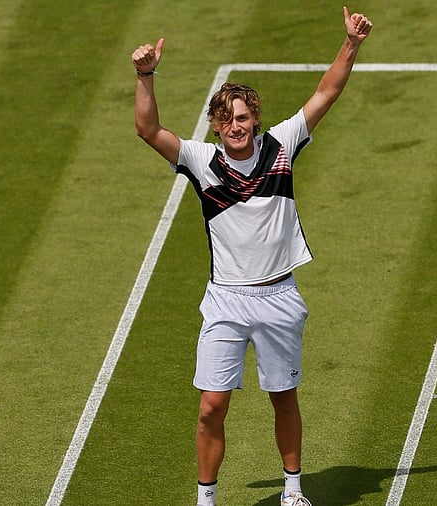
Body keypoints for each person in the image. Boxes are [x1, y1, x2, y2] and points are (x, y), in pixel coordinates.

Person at [132, 7, 372, 506]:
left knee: (283, 399)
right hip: (225, 301)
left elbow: (326, 92)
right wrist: (145, 75)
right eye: (226, 120)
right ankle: (206, 500)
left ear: (254, 119)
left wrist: (351, 44)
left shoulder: (281, 144)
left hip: (279, 296)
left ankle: (292, 491)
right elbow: (148, 130)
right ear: (216, 126)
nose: (235, 126)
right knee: (210, 407)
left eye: (242, 117)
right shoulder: (201, 161)